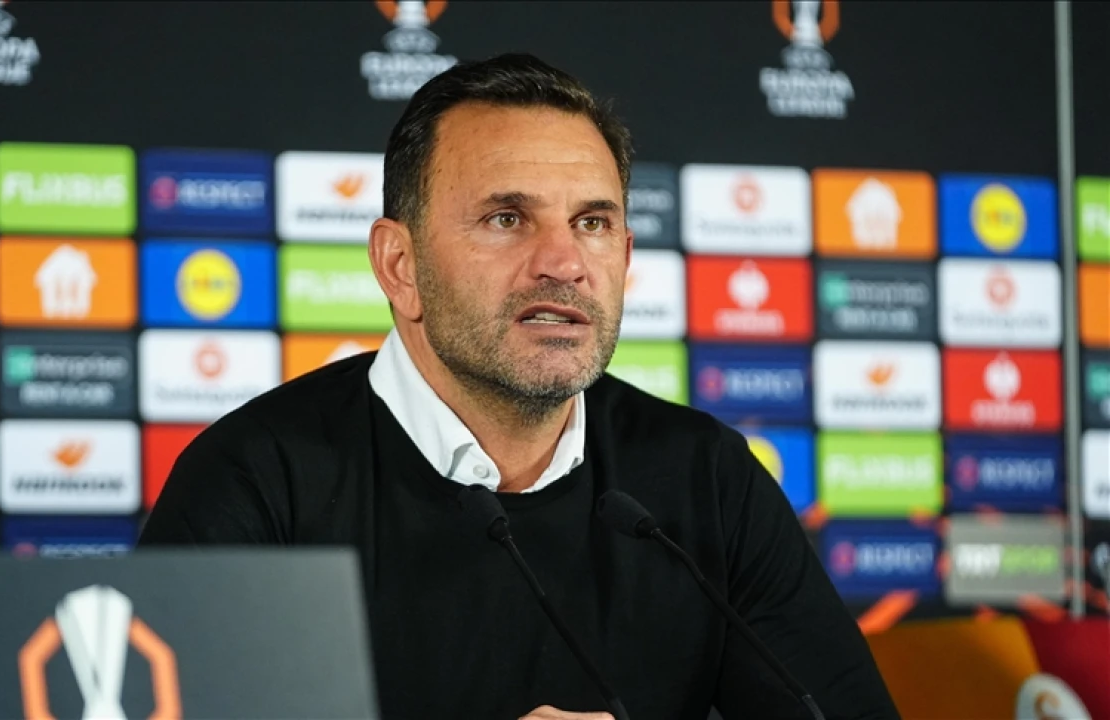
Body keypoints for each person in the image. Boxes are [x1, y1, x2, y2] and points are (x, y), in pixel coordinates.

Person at [139, 53, 900, 720]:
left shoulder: (705, 476)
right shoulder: (254, 479)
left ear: (625, 255)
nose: (564, 263)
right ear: (400, 266)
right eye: (507, 219)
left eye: (592, 223)